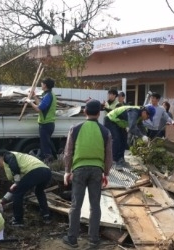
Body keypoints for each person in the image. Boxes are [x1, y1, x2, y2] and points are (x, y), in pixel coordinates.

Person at [62, 99, 112, 248]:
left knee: (76, 205)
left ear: (84, 112)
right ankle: (94, 240)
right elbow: (108, 156)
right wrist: (107, 173)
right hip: (97, 170)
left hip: (79, 170)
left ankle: (72, 239)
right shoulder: (105, 131)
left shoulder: (75, 129)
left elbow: (68, 152)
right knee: (95, 206)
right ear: (99, 113)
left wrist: (66, 171)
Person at [0, 149, 52, 226]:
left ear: (0, 157)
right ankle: (46, 215)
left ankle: (18, 220)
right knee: (39, 191)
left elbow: (13, 164)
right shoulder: (22, 162)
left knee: (18, 194)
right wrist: (4, 200)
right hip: (47, 171)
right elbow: (14, 188)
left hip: (36, 171)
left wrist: (17, 181)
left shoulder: (7, 155)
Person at [25, 78, 57, 163]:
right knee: (45, 144)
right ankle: (49, 160)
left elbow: (38, 109)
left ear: (45, 85)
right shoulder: (48, 95)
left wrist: (29, 102)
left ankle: (49, 163)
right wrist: (34, 96)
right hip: (47, 123)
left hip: (46, 124)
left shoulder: (48, 96)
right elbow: (41, 105)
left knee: (45, 146)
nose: (41, 85)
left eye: (42, 84)